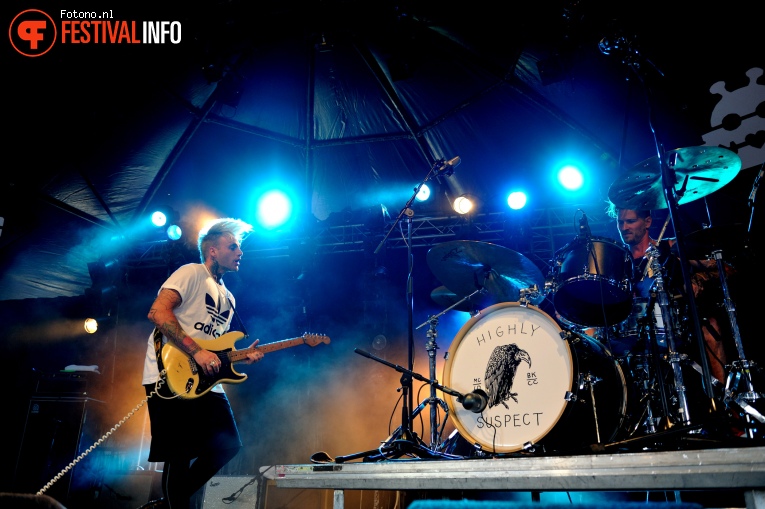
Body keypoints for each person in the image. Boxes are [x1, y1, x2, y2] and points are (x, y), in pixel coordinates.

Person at [141, 217, 264, 508]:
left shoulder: (229, 297)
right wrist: (197, 352)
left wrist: (241, 358)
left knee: (228, 445)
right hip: (169, 372)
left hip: (206, 381)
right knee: (179, 454)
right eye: (233, 246)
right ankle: (174, 503)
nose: (240, 252)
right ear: (212, 250)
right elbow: (158, 313)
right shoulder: (191, 272)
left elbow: (216, 349)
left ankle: (168, 502)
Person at [607, 205, 730, 386]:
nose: (624, 227)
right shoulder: (617, 263)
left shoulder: (669, 248)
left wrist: (699, 279)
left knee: (710, 327)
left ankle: (724, 401)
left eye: (631, 221)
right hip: (634, 333)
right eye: (620, 222)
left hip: (677, 325)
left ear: (647, 222)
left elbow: (725, 268)